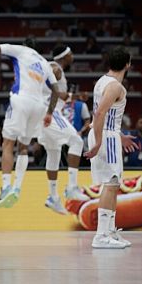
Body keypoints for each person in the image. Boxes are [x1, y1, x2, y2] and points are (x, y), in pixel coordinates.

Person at [0, 20, 60, 209]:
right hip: (39, 106)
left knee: (8, 143)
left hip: (21, 100)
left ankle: (6, 187)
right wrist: (49, 113)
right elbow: (55, 90)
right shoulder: (44, 63)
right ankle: (17, 187)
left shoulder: (22, 51)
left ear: (26, 45)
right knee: (23, 147)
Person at [84, 47, 138, 249]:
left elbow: (102, 114)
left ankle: (110, 231)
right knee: (111, 183)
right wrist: (99, 142)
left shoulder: (102, 81)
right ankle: (101, 236)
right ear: (127, 64)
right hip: (105, 136)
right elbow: (99, 114)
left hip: (107, 134)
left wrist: (119, 135)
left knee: (113, 184)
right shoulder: (115, 86)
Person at [37, 46, 90, 214]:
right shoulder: (55, 68)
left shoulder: (56, 70)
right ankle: (72, 187)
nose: (72, 55)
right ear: (64, 56)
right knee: (77, 141)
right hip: (50, 113)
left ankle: (53, 196)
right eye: (70, 53)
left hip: (43, 113)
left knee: (54, 152)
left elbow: (58, 93)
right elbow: (51, 85)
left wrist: (75, 96)